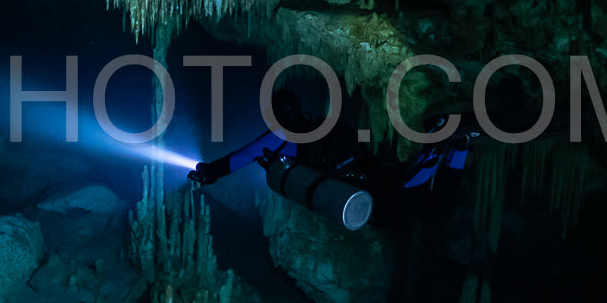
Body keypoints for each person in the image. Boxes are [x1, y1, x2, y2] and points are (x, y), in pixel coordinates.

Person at [187, 88, 479, 231]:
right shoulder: (317, 121)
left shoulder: (280, 136)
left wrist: (207, 173)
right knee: (436, 212)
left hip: (357, 182)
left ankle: (436, 141)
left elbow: (241, 157)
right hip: (367, 168)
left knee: (406, 203)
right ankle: (461, 146)